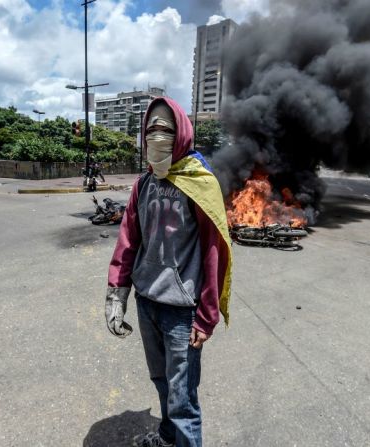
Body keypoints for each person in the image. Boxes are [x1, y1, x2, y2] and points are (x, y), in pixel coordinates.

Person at [104, 97, 232, 447]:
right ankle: (166, 437)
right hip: (147, 303)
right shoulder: (143, 184)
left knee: (184, 400)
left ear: (182, 133)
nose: (156, 136)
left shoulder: (200, 183)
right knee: (161, 381)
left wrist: (206, 317)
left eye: (165, 129)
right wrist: (117, 294)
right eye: (150, 129)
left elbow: (212, 253)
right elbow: (128, 239)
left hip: (181, 312)